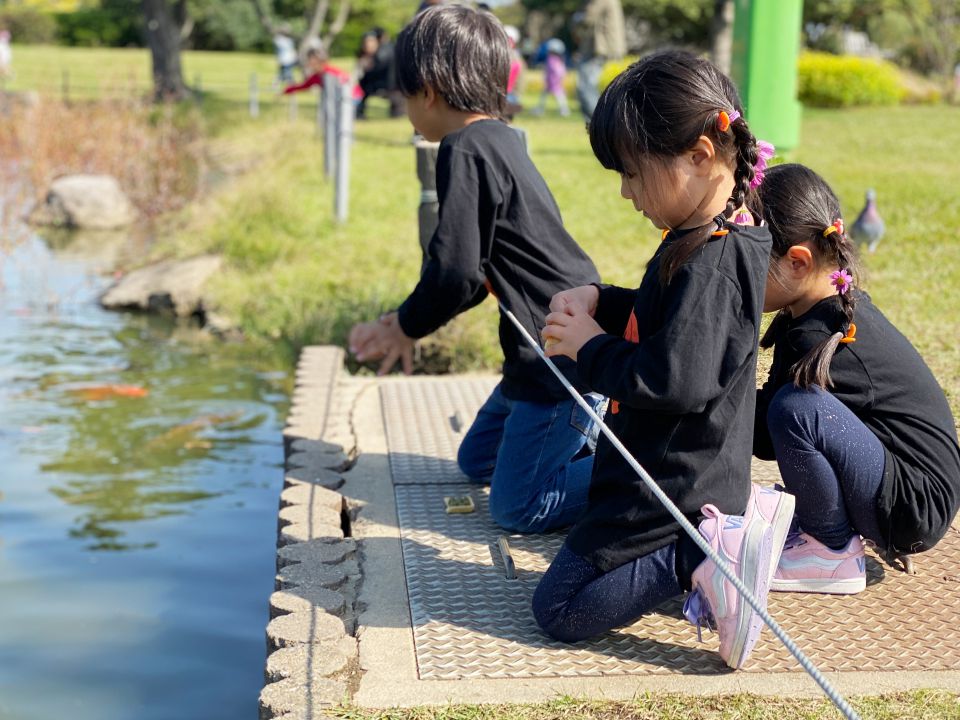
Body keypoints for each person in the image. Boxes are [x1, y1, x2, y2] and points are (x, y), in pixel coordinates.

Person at [532, 50, 793, 670]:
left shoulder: (713, 262)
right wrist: (602, 299)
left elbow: (670, 377)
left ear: (701, 156)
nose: (626, 192)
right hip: (680, 471)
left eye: (631, 173)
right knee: (575, 564)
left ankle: (704, 558)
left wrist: (588, 346)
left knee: (561, 606)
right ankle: (709, 548)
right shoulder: (719, 232)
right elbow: (670, 319)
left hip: (673, 488)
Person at [348, 5, 603, 534]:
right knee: (475, 463)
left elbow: (455, 271)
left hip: (555, 361)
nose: (405, 109)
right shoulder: (501, 138)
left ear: (432, 91)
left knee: (518, 507)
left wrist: (404, 327)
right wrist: (403, 320)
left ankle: (640, 474)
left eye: (405, 95)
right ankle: (589, 428)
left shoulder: (462, 148)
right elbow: (473, 276)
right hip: (544, 347)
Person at [754, 163, 960, 593]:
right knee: (794, 408)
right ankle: (831, 530)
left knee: (797, 409)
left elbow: (766, 434)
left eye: (751, 258)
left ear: (797, 261)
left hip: (912, 505)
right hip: (909, 488)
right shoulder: (825, 308)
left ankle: (828, 550)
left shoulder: (819, 333)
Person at [573, 0, 626, 121]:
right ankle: (598, 122)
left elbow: (587, 17)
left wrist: (576, 18)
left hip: (598, 48)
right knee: (590, 85)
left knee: (585, 86)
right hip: (605, 47)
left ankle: (598, 122)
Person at [281, 46, 351, 96]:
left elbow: (347, 82)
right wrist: (287, 90)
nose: (309, 62)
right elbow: (304, 86)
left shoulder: (330, 72)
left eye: (312, 59)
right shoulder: (316, 76)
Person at [534, 39, 569, 117]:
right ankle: (540, 109)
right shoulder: (556, 59)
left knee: (559, 96)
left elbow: (557, 70)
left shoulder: (552, 59)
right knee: (546, 95)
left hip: (553, 81)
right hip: (551, 81)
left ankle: (564, 110)